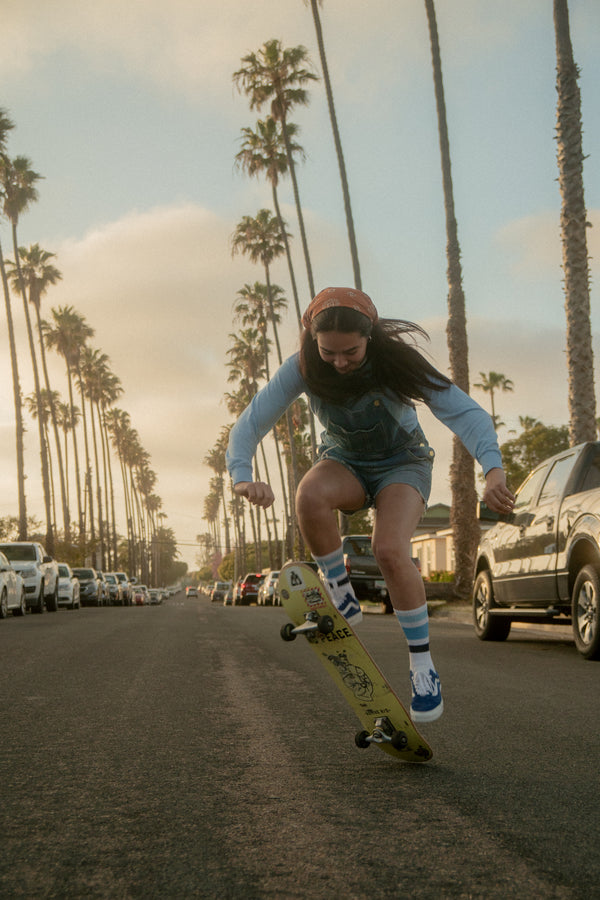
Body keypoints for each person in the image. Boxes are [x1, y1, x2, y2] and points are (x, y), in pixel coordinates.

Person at [226, 287, 515, 723]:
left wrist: (492, 468)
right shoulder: (303, 367)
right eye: (329, 352)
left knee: (390, 550)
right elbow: (250, 422)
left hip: (404, 463)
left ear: (370, 339)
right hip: (344, 460)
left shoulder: (398, 362)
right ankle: (341, 595)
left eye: (351, 353)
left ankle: (422, 669)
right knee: (309, 494)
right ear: (312, 340)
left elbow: (466, 413)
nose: (339, 362)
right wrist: (242, 477)